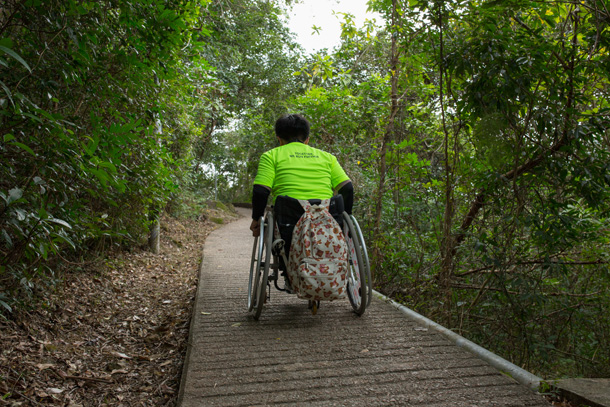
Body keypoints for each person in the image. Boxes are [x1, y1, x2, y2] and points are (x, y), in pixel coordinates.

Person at [250, 114, 353, 240]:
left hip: (287, 224)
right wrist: (346, 220)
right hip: (327, 224)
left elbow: (260, 191)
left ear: (279, 139)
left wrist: (256, 220)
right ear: (307, 140)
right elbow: (347, 188)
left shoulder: (271, 156)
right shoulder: (328, 158)